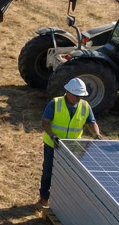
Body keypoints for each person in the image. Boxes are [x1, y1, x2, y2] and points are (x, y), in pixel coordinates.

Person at [38, 78, 104, 207]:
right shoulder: (55, 103)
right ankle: (44, 198)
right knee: (48, 172)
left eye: (81, 96)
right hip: (53, 144)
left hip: (72, 146)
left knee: (69, 174)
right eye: (77, 96)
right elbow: (45, 122)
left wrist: (97, 134)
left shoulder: (85, 106)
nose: (79, 99)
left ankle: (61, 201)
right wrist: (52, 135)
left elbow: (92, 123)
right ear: (68, 93)